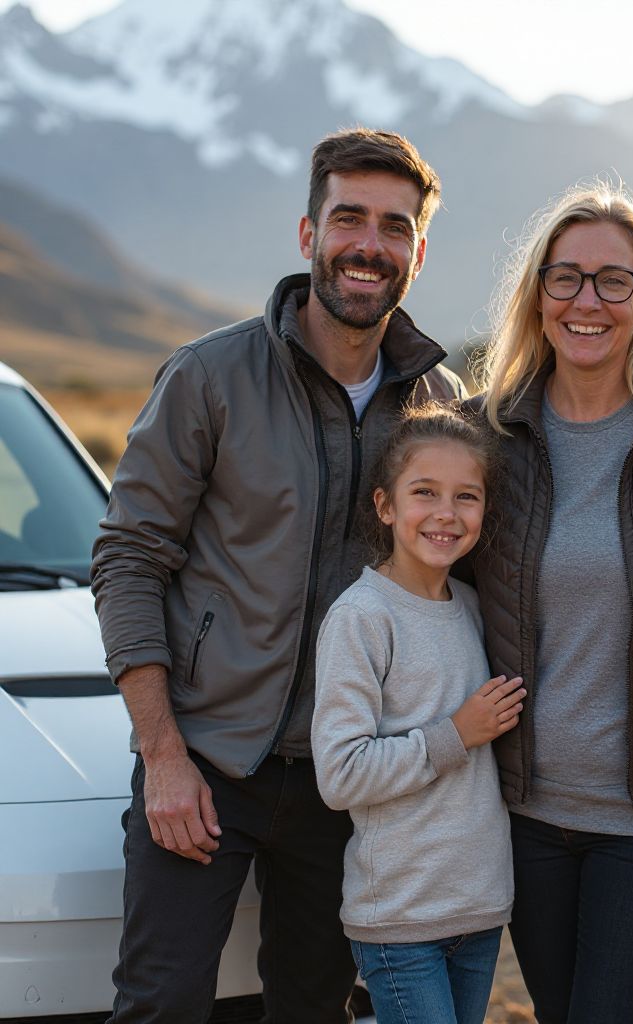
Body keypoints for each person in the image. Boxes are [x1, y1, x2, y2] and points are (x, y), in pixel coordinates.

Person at [90, 128, 466, 1024]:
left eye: (395, 226)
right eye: (349, 219)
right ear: (309, 235)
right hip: (207, 762)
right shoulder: (210, 377)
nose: (369, 245)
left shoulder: (437, 409)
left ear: (418, 251)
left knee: (313, 1009)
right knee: (162, 1006)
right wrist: (163, 756)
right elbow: (129, 557)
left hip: (348, 781)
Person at [471, 182, 633, 1024]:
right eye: (566, 277)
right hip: (521, 816)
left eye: (615, 280)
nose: (588, 301)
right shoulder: (484, 435)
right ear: (537, 295)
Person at [312, 403, 523, 1024]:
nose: (445, 513)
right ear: (385, 505)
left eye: (466, 496)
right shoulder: (362, 618)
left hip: (479, 908)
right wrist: (456, 734)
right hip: (400, 918)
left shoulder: (476, 608)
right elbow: (340, 775)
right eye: (424, 492)